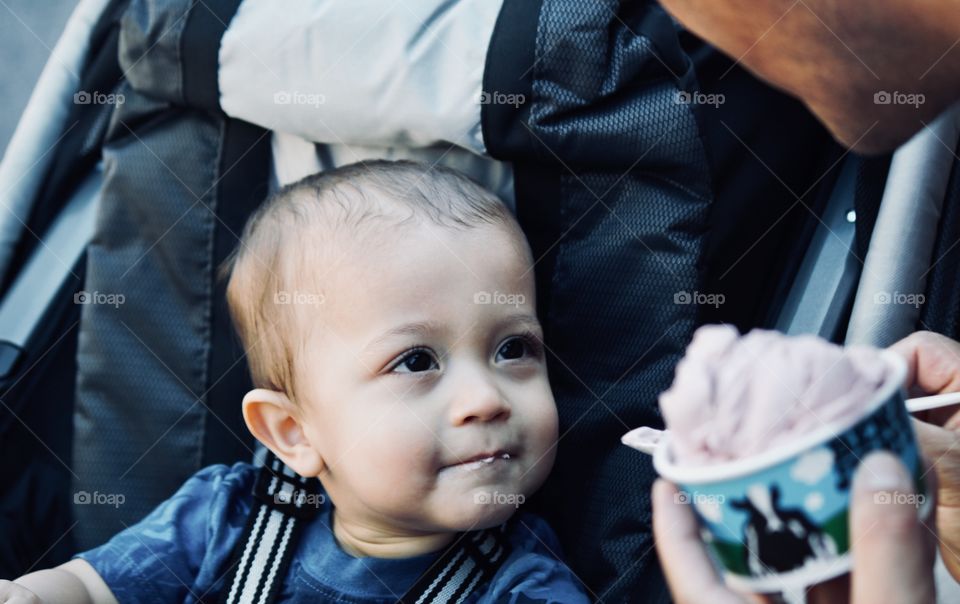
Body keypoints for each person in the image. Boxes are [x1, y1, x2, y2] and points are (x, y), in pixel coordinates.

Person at [0, 161, 590, 603]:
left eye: (514, 349)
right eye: (416, 362)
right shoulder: (226, 518)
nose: (485, 399)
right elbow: (89, 586)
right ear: (293, 433)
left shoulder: (521, 587)